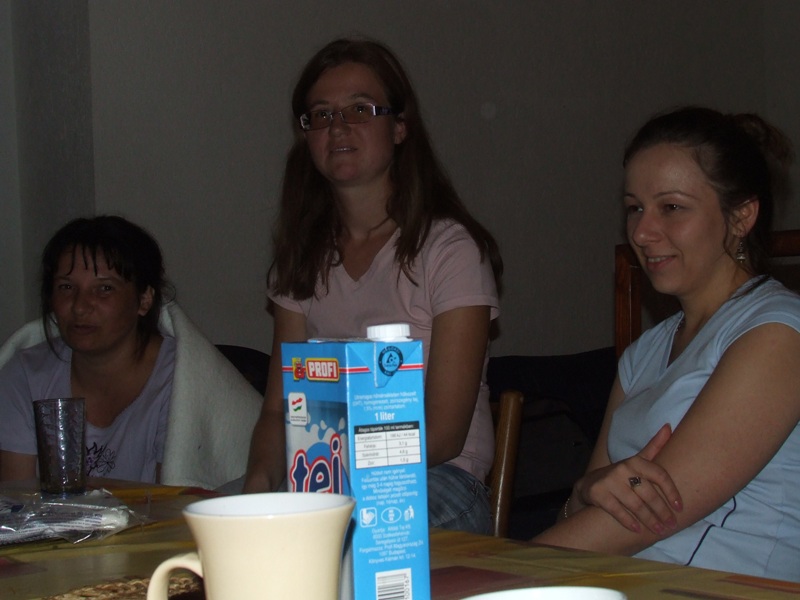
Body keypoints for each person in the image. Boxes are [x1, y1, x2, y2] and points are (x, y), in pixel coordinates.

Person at [243, 37, 503, 534]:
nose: (337, 126)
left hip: (436, 478)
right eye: (321, 114)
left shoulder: (449, 250)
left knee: (338, 534)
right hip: (322, 479)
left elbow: (444, 434)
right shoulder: (302, 257)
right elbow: (278, 412)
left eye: (359, 109)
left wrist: (329, 470)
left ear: (400, 127)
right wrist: (256, 492)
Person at [532, 106, 800, 582]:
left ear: (741, 216)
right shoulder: (645, 352)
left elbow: (646, 519)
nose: (641, 232)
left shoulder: (778, 332)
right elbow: (585, 512)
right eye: (634, 207)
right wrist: (585, 490)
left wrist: (484, 574)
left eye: (671, 207)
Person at [0, 216, 263, 488]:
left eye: (104, 289)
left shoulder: (182, 383)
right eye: (66, 287)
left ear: (144, 299)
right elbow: (17, 498)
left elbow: (173, 499)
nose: (80, 306)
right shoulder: (26, 375)